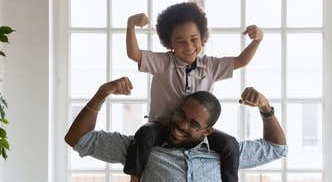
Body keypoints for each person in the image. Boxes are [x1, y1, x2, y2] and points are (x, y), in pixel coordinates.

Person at [125, 2, 263, 182]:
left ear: (203, 37)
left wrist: (257, 40)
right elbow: (134, 54)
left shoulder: (211, 66)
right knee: (144, 134)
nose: (189, 46)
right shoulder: (163, 63)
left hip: (197, 131)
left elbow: (241, 61)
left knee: (230, 144)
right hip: (164, 126)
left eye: (194, 39)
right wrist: (131, 25)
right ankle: (135, 178)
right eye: (180, 41)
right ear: (169, 43)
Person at [64, 77, 287, 182]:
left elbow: (276, 148)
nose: (182, 125)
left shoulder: (225, 153)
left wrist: (265, 108)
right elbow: (77, 138)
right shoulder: (144, 147)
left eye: (194, 124)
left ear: (207, 131)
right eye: (181, 114)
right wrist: (102, 93)